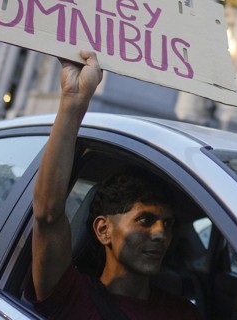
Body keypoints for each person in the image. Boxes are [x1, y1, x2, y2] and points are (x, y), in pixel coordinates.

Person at [31, 50, 198, 320]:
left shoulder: (183, 314)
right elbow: (48, 214)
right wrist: (73, 102)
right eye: (145, 220)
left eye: (167, 224)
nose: (161, 235)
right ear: (103, 229)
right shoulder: (72, 295)